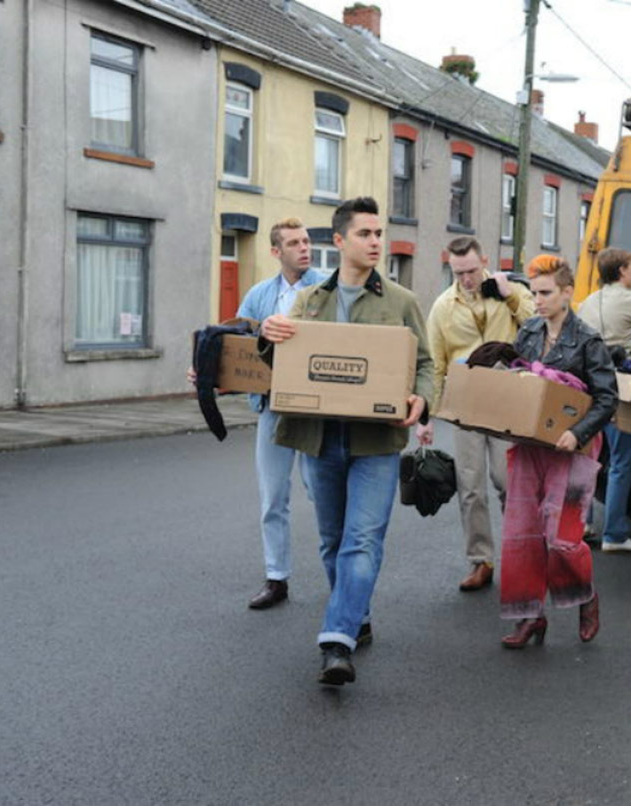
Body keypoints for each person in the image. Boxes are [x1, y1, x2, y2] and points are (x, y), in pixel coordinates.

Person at [260, 197, 434, 685]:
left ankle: (337, 641)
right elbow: (284, 365)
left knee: (362, 539)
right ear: (339, 241)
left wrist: (422, 398)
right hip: (320, 439)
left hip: (376, 441)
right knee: (333, 541)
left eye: (379, 234)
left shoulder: (401, 301)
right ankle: (357, 614)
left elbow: (425, 364)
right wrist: (268, 336)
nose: (376, 242)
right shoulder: (309, 301)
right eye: (365, 234)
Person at [190, 218, 323, 610]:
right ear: (276, 251)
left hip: (315, 410)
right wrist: (204, 369)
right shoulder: (260, 294)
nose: (304, 248)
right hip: (271, 408)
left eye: (306, 241)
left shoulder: (328, 289)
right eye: (294, 243)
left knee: (323, 493)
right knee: (272, 498)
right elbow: (232, 342)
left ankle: (340, 575)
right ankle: (276, 578)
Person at [499, 255, 618, 648]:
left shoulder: (588, 340)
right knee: (522, 530)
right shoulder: (529, 330)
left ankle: (586, 596)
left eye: (546, 293)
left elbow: (607, 398)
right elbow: (519, 380)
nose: (537, 301)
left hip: (573, 449)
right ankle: (529, 617)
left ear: (567, 293)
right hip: (531, 444)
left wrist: (577, 432)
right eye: (534, 293)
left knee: (562, 536)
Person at [417, 236, 534, 592]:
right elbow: (435, 363)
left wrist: (510, 294)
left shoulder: (510, 292)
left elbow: (537, 325)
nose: (466, 279)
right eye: (458, 273)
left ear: (484, 261)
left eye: (470, 270)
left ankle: (520, 553)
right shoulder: (442, 306)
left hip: (506, 399)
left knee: (508, 481)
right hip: (464, 403)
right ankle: (480, 560)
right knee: (470, 487)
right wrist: (427, 417)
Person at [578, 247, 631, 552]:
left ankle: (583, 524)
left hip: (587, 386)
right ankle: (614, 535)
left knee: (588, 458)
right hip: (617, 387)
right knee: (620, 461)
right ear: (622, 271)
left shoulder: (588, 302)